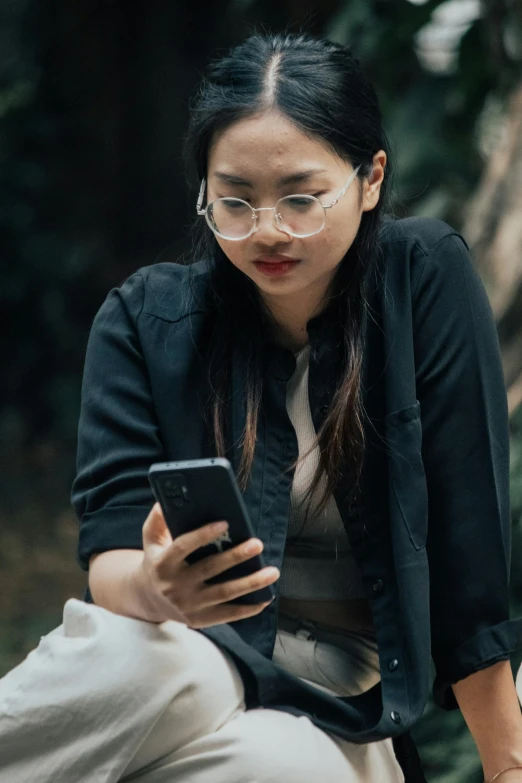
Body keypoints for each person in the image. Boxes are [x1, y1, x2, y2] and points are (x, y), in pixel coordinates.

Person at [1, 30, 522, 783]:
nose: (268, 231)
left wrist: (507, 767)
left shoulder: (424, 282)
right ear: (205, 192)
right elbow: (111, 550)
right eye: (235, 201)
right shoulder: (146, 319)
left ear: (370, 178)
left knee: (277, 765)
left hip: (339, 702)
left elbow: (468, 567)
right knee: (160, 666)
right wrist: (157, 587)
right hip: (188, 649)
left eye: (302, 198)